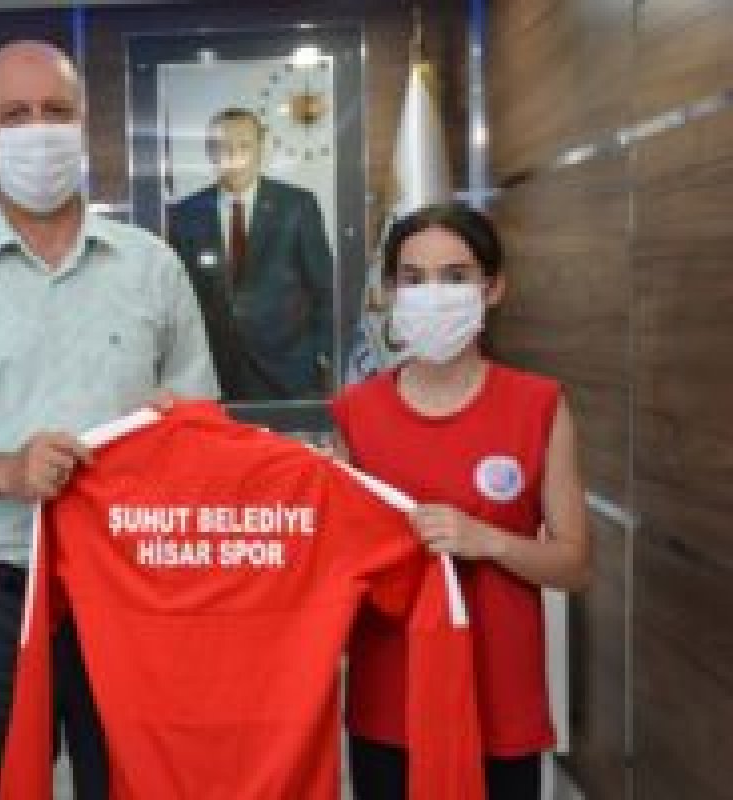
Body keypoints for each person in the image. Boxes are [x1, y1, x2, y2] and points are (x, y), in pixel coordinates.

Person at [0, 40, 219, 800]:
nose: (39, 132)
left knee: (128, 783)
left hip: (128, 589)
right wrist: (4, 472)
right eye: (15, 115)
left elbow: (204, 428)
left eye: (56, 112)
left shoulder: (153, 267)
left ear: (85, 126)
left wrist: (176, 435)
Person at [328, 203, 591, 800]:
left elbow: (575, 565)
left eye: (454, 276)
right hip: (390, 703)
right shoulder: (356, 414)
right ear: (390, 292)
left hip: (501, 705)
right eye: (413, 278)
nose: (433, 295)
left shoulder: (538, 406)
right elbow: (336, 563)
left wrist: (488, 540)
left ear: (492, 289)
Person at [167, 107, 337, 401]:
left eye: (244, 145)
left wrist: (323, 355)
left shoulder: (298, 206)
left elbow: (325, 288)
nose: (234, 155)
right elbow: (179, 298)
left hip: (289, 372)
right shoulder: (186, 213)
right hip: (214, 374)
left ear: (262, 148)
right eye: (223, 146)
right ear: (209, 152)